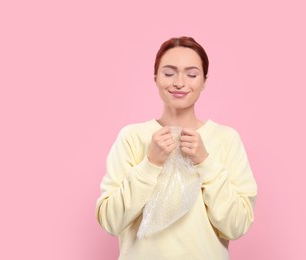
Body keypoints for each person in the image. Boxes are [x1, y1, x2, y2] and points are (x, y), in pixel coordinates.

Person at [96, 36, 257, 260]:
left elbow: (237, 225)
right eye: (169, 73)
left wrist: (205, 162)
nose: (179, 82)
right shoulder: (132, 137)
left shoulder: (226, 139)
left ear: (204, 81)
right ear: (155, 78)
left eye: (191, 74)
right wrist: (150, 164)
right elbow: (111, 221)